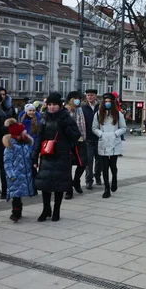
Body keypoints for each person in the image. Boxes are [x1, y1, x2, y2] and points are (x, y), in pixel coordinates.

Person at [32, 92, 81, 222]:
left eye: (54, 104)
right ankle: (46, 209)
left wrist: (66, 128)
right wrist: (34, 156)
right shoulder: (44, 118)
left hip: (62, 155)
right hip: (47, 155)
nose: (52, 107)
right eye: (50, 104)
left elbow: (76, 136)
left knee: (59, 184)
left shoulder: (67, 118)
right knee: (45, 183)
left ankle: (57, 210)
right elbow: (38, 138)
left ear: (59, 106)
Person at [92, 93, 126, 198]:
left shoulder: (118, 114)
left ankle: (114, 178)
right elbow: (94, 128)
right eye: (105, 101)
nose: (107, 103)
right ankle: (106, 188)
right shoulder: (98, 114)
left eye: (109, 101)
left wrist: (115, 134)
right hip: (104, 141)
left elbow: (123, 127)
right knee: (104, 166)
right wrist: (101, 134)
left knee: (113, 165)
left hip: (114, 141)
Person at [2, 119, 35, 222]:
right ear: (18, 134)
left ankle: (18, 210)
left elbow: (29, 157)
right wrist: (11, 174)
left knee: (19, 194)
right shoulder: (10, 147)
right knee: (16, 195)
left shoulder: (26, 144)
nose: (26, 133)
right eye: (24, 132)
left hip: (25, 174)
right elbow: (7, 162)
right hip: (15, 175)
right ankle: (16, 213)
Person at [65, 91, 88, 199]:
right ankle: (69, 190)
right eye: (76, 98)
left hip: (81, 140)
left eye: (79, 98)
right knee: (67, 166)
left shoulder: (82, 109)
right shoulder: (65, 111)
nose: (78, 100)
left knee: (83, 163)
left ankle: (76, 180)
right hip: (68, 142)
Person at [82, 89, 102, 189]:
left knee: (99, 159)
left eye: (91, 95)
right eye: (88, 95)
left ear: (95, 96)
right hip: (88, 138)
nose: (89, 97)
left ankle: (98, 176)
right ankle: (89, 180)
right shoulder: (83, 108)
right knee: (89, 160)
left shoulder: (100, 107)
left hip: (99, 137)